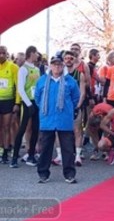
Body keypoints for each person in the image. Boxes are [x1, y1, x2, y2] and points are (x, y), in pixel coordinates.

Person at [34, 55, 80, 184]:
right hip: (47, 119)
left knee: (68, 149)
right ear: (50, 66)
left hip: (64, 119)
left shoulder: (70, 81)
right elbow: (37, 98)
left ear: (63, 66)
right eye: (54, 64)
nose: (56, 67)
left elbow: (75, 98)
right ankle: (43, 173)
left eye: (59, 64)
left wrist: (68, 109)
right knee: (45, 149)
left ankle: (69, 174)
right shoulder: (42, 80)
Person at [10, 46, 40, 168]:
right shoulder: (23, 69)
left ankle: (31, 155)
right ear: (31, 53)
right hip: (27, 103)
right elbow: (21, 89)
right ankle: (14, 157)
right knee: (22, 129)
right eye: (36, 53)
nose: (37, 55)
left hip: (36, 102)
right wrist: (28, 104)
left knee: (35, 129)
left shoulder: (37, 69)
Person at [0, 46, 20, 164]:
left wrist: (17, 103)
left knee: (7, 126)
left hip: (8, 100)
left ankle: (7, 150)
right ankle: (1, 148)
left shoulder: (13, 67)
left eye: (3, 53)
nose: (1, 55)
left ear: (7, 54)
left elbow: (18, 86)